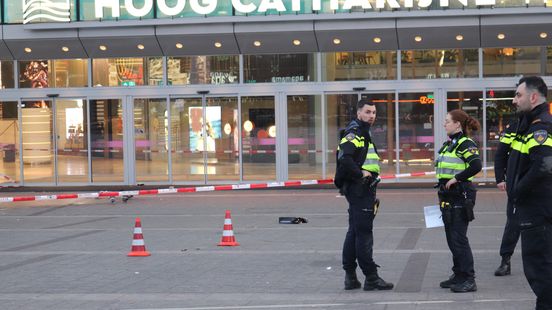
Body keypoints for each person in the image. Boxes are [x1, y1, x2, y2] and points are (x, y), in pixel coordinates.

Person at [335, 99, 393, 291]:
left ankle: (350, 277)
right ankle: (371, 277)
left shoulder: (363, 132)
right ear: (358, 113)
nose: (371, 116)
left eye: (374, 113)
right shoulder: (355, 133)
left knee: (354, 232)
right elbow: (345, 159)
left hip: (360, 189)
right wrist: (361, 174)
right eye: (368, 112)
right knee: (364, 234)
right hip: (360, 189)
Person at [506, 76, 552, 310]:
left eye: (518, 95)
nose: (515, 100)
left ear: (533, 97)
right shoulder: (529, 125)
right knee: (539, 270)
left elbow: (544, 166)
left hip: (538, 212)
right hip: (534, 210)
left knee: (540, 271)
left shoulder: (540, 127)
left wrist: (518, 190)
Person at [435, 109, 482, 293]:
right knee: (451, 238)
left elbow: (476, 165)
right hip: (448, 196)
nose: (444, 124)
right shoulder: (451, 144)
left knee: (458, 238)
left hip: (460, 195)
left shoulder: (465, 143)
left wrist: (457, 179)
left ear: (457, 124)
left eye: (447, 121)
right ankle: (459, 274)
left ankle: (469, 279)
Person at [494, 119, 521, 276]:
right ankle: (505, 260)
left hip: (542, 186)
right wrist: (500, 179)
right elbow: (500, 154)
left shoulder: (547, 125)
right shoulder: (514, 128)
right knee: (513, 223)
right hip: (517, 185)